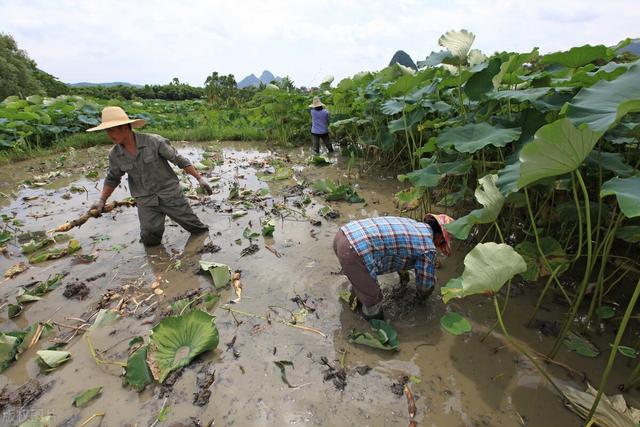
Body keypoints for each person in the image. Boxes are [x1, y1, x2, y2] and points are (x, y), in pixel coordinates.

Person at [86, 106, 213, 246]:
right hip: (146, 201)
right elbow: (113, 178)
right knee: (149, 238)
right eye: (107, 131)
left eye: (111, 130)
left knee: (196, 229)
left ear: (124, 127)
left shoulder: (154, 141)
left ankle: (203, 248)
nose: (109, 135)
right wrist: (101, 200)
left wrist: (199, 178)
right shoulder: (115, 155)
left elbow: (178, 159)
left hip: (170, 195)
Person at [333, 214, 454, 319]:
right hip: (355, 250)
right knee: (373, 300)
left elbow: (397, 250)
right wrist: (422, 301)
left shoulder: (412, 224)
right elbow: (425, 285)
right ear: (440, 237)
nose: (438, 245)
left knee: (361, 280)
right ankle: (369, 328)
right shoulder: (428, 248)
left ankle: (358, 293)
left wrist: (403, 278)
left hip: (343, 234)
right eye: (441, 242)